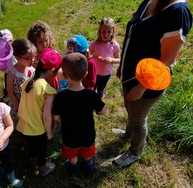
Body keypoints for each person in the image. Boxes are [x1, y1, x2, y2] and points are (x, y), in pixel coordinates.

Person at [113, 0, 192, 168]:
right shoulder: (150, 1)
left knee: (138, 119)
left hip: (147, 84)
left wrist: (141, 87)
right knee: (130, 108)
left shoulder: (178, 12)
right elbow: (132, 36)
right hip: (130, 75)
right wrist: (123, 64)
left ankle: (135, 152)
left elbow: (166, 61)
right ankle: (128, 134)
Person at [52, 53, 106, 177]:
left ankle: (74, 168)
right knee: (87, 153)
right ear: (86, 74)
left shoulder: (61, 97)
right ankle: (87, 165)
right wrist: (99, 103)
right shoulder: (92, 95)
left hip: (70, 135)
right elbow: (103, 111)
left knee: (72, 155)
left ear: (65, 76)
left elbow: (55, 117)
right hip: (88, 135)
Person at [16, 49, 62, 176]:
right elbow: (46, 116)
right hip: (37, 129)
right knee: (41, 150)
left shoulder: (27, 82)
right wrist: (49, 132)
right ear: (53, 71)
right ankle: (43, 168)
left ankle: (31, 159)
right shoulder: (48, 89)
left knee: (31, 147)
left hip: (24, 125)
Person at [7, 38, 37, 126]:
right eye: (28, 58)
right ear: (17, 58)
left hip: (31, 102)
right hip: (19, 104)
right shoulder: (12, 73)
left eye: (33, 56)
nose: (32, 60)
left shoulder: (32, 69)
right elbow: (10, 93)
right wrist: (19, 107)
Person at [89, 18, 120, 99]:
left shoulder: (114, 45)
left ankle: (99, 104)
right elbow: (87, 57)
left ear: (113, 32)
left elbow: (119, 59)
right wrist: (94, 58)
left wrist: (112, 60)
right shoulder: (95, 44)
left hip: (106, 74)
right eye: (103, 31)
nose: (106, 34)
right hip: (94, 72)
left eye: (109, 32)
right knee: (92, 89)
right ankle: (90, 101)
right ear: (99, 31)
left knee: (100, 90)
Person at [27, 21, 60, 89]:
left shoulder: (52, 53)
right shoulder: (33, 56)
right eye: (40, 41)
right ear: (34, 41)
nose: (44, 44)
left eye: (46, 40)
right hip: (38, 84)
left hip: (53, 81)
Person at [0, 29, 17, 99]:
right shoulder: (1, 51)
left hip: (17, 72)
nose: (6, 44)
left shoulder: (16, 49)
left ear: (12, 40)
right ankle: (7, 95)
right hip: (8, 72)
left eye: (8, 42)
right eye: (3, 42)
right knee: (8, 86)